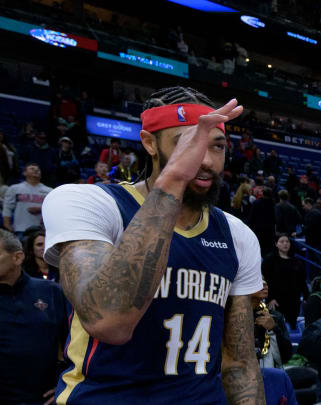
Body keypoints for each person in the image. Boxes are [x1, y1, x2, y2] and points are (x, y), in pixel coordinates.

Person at [41, 87, 265, 403]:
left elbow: (240, 364)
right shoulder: (89, 203)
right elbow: (109, 321)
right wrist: (173, 179)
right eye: (189, 144)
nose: (206, 160)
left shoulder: (237, 234)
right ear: (149, 143)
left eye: (217, 146)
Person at [0, 229, 69, 405]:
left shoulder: (51, 292)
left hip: (42, 398)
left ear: (17, 257)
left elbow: (73, 343)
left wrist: (65, 384)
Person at [262, 234, 309, 329]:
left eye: (287, 241)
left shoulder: (297, 261)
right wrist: (270, 298)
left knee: (292, 326)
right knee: (276, 329)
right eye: (282, 241)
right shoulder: (269, 260)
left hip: (293, 301)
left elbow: (302, 281)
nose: (285, 244)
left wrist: (306, 296)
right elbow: (264, 281)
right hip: (276, 301)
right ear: (276, 244)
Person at [252, 278, 293, 369]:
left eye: (265, 282)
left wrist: (273, 328)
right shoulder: (235, 316)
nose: (265, 284)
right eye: (259, 280)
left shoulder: (275, 316)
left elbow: (287, 355)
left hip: (270, 374)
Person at [3, 163, 53, 237]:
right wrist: (7, 225)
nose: (36, 170)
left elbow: (53, 210)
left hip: (42, 230)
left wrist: (40, 208)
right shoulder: (14, 188)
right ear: (24, 173)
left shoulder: (49, 191)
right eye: (32, 168)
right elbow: (7, 208)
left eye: (38, 169)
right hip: (20, 229)